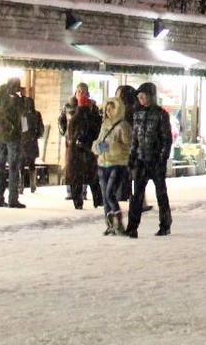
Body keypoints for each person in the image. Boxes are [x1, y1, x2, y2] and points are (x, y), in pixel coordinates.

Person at [125, 83, 173, 237]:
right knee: (136, 195)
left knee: (161, 194)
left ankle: (165, 225)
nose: (141, 99)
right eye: (139, 96)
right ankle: (132, 227)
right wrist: (132, 157)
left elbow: (167, 139)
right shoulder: (137, 114)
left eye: (143, 96)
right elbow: (135, 139)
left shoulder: (161, 114)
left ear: (151, 96)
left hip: (155, 160)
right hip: (140, 160)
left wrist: (162, 158)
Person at [95, 87, 133, 236]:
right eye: (107, 109)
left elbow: (128, 144)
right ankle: (110, 224)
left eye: (111, 109)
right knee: (105, 196)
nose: (108, 112)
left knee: (110, 193)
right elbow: (98, 141)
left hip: (117, 163)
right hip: (103, 163)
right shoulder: (104, 125)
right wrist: (98, 147)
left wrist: (112, 146)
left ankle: (118, 221)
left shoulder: (123, 126)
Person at [64, 85, 103, 209]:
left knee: (91, 174)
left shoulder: (93, 109)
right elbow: (63, 122)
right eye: (79, 91)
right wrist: (67, 135)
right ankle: (78, 199)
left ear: (88, 93)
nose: (81, 93)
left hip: (87, 147)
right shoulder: (69, 106)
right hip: (74, 146)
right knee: (76, 174)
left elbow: (97, 126)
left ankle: (96, 200)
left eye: (84, 92)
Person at [0, 80, 26, 209]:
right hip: (12, 136)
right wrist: (23, 98)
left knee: (0, 167)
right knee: (13, 167)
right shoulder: (15, 99)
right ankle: (13, 199)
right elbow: (22, 113)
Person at [21, 92, 45, 194]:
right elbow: (41, 128)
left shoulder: (23, 114)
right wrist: (36, 136)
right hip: (32, 142)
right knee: (32, 164)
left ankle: (21, 185)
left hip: (24, 142)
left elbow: (23, 128)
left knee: (21, 165)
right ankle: (32, 185)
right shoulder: (37, 114)